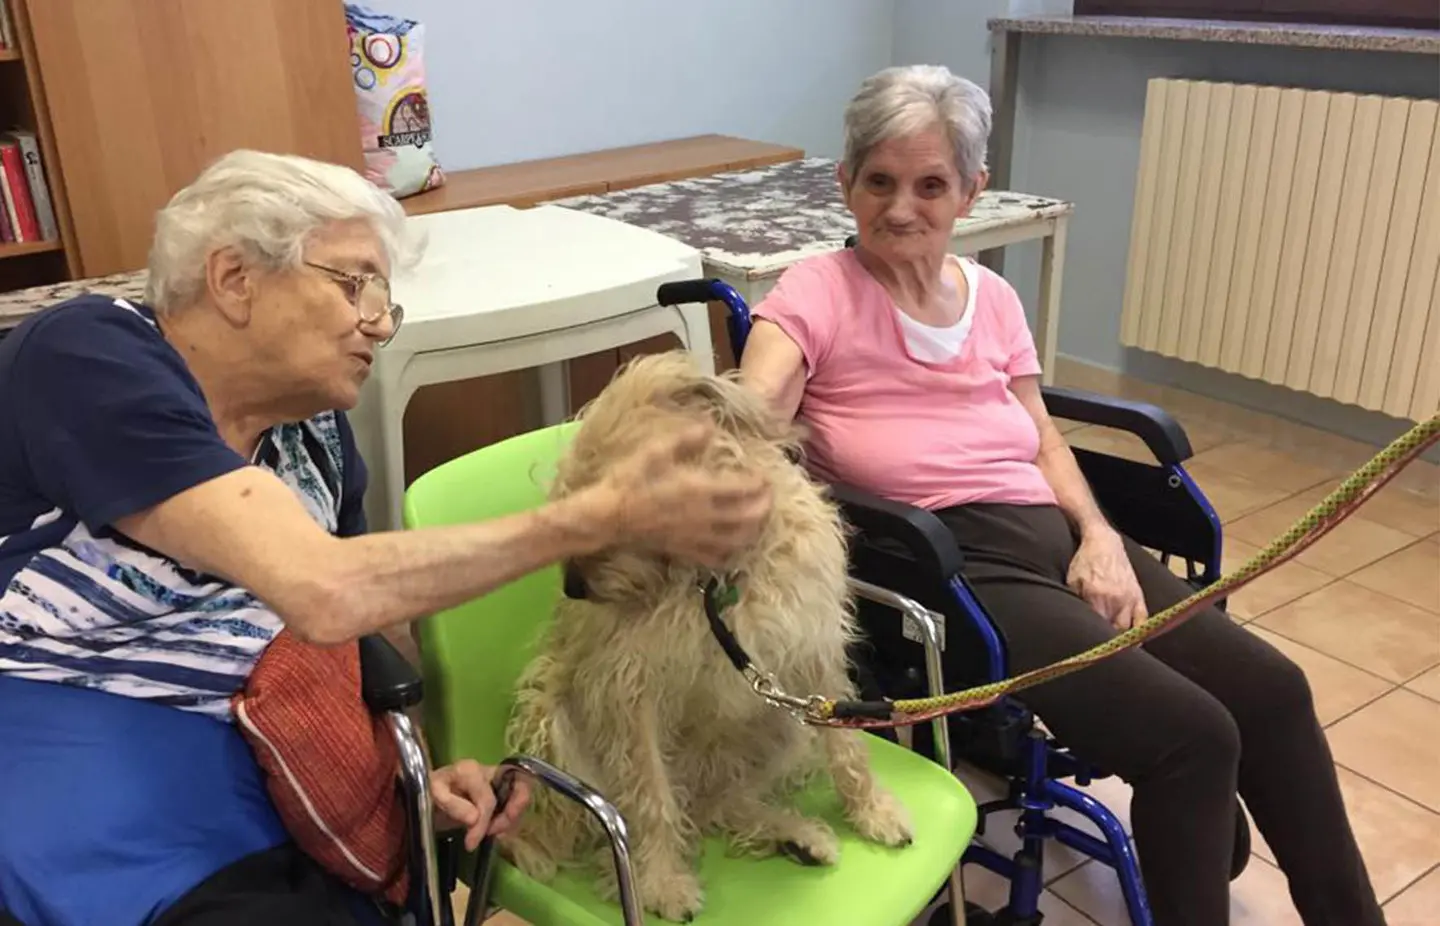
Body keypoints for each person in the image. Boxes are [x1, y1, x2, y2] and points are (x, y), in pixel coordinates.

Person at [0, 150, 772, 926]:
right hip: (80, 748)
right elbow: (326, 589)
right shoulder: (90, 356)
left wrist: (415, 779)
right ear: (234, 278)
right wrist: (599, 518)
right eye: (354, 282)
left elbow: (364, 636)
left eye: (385, 296)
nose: (378, 320)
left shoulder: (317, 439)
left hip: (269, 759)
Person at [737, 65, 1383, 926]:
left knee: (1273, 689)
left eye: (931, 185)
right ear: (844, 182)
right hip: (945, 566)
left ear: (972, 191)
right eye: (879, 181)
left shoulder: (994, 297)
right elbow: (752, 414)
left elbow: (1040, 436)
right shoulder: (815, 291)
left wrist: (1100, 535)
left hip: (1049, 532)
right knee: (1193, 737)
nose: (901, 208)